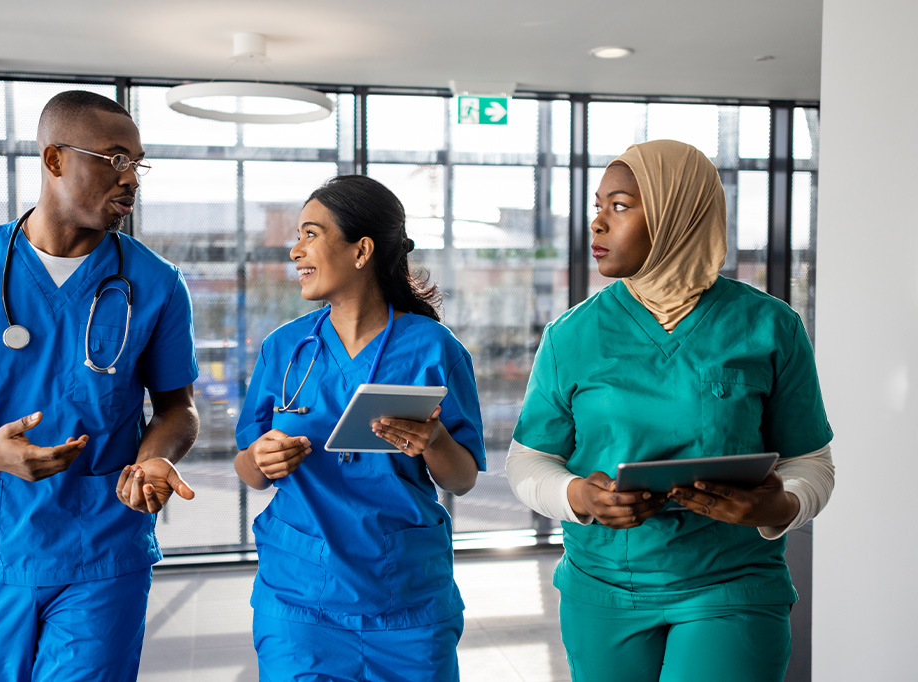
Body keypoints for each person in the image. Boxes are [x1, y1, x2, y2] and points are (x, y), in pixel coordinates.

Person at [0, 90, 200, 682]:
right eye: (114, 158)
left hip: (106, 544)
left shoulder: (157, 283)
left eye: (137, 163)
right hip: (0, 545)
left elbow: (177, 408)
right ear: (55, 159)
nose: (130, 178)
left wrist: (152, 460)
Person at [506, 139, 835, 682]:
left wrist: (779, 508)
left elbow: (811, 463)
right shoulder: (571, 335)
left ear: (677, 214)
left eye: (619, 206)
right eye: (597, 206)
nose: (597, 224)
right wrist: (579, 496)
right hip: (603, 588)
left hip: (730, 584)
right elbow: (528, 462)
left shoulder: (770, 327)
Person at [234, 174, 486, 682]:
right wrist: (260, 458)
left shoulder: (434, 349)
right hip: (300, 599)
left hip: (407, 597)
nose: (294, 250)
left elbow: (462, 478)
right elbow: (249, 467)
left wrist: (433, 441)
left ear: (361, 250)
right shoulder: (285, 349)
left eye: (310, 234)